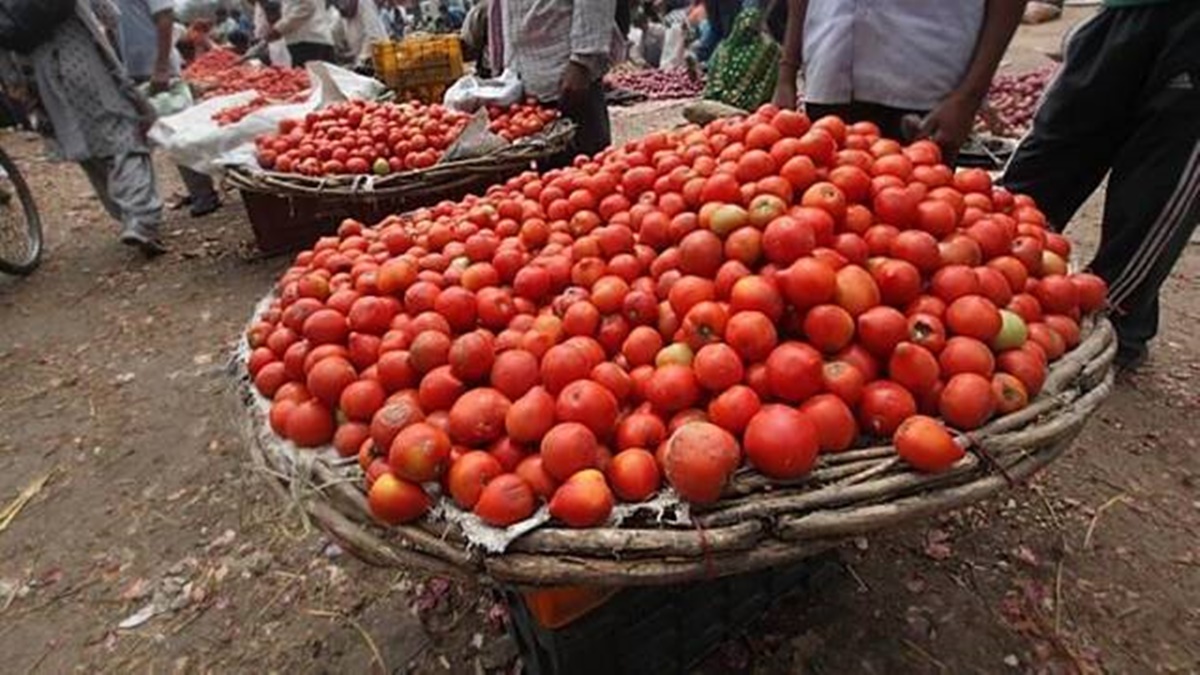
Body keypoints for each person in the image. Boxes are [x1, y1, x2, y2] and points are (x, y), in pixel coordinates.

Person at [1002, 1, 1199, 369]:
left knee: (1154, 192)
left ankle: (1112, 321)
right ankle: (994, 282)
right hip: (1122, 11)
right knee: (1042, 164)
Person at [3, 0, 166, 254]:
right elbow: (110, 14)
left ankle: (124, 214)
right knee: (124, 136)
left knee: (82, 143)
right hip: (83, 57)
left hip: (42, 76)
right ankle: (141, 217)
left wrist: (16, 83)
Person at [772, 0, 1024, 163]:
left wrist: (968, 98)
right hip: (828, 73)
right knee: (820, 228)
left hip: (923, 88)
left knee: (917, 230)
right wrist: (786, 73)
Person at [117, 0, 222, 217]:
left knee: (177, 133)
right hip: (128, 70)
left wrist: (161, 66)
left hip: (156, 68)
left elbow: (165, 17)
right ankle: (144, 206)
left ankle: (204, 194)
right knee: (137, 138)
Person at [492, 0, 622, 161]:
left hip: (567, 80)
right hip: (523, 87)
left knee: (583, 171)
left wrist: (582, 62)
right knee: (537, 179)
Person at [268, 0, 336, 66]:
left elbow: (305, 7)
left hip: (307, 42)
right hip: (314, 38)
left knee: (308, 76)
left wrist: (279, 29)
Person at [332, 0, 389, 66]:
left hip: (379, 58)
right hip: (360, 61)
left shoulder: (364, 3)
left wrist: (361, 60)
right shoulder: (340, 16)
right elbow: (335, 32)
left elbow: (373, 36)